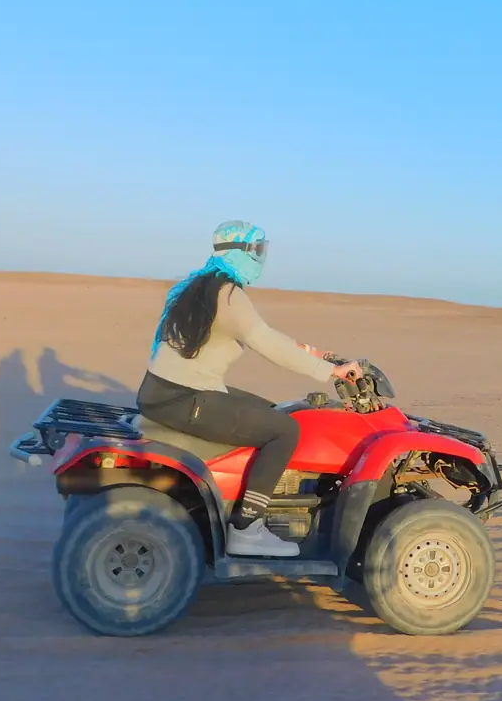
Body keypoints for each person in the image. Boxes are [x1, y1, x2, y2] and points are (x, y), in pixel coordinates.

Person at [137, 220, 362, 557]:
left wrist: (316, 353)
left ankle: (249, 496)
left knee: (273, 410)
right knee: (284, 430)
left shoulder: (196, 284)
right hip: (184, 397)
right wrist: (330, 371)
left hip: (171, 391)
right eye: (256, 250)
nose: (261, 257)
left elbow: (262, 334)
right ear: (237, 251)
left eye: (263, 248)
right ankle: (247, 527)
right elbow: (266, 342)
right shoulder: (227, 296)